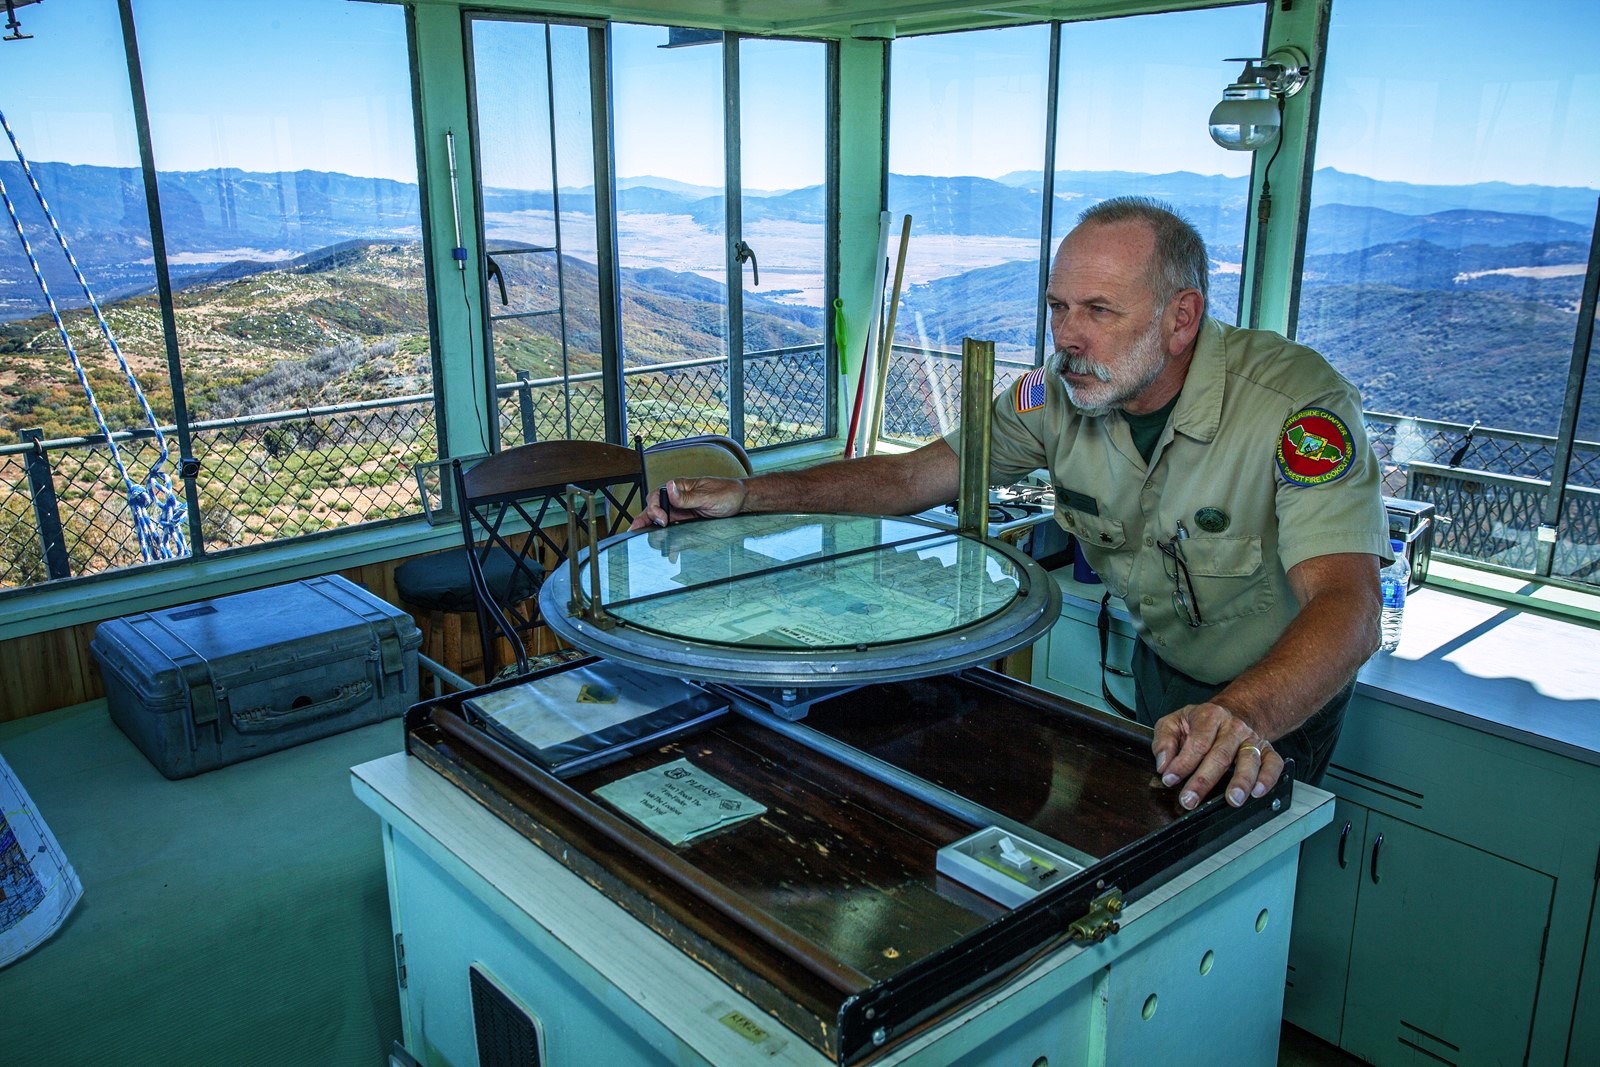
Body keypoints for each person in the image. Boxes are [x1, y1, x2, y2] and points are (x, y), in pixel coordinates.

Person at [635, 196, 1389, 811]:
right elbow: (911, 479)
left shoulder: (1297, 408)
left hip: (1279, 693)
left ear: (1181, 317)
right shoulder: (1053, 393)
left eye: (1098, 309)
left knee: (1234, 880)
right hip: (1165, 671)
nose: (1067, 336)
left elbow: (1349, 607)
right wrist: (749, 497)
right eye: (1058, 307)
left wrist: (1245, 716)